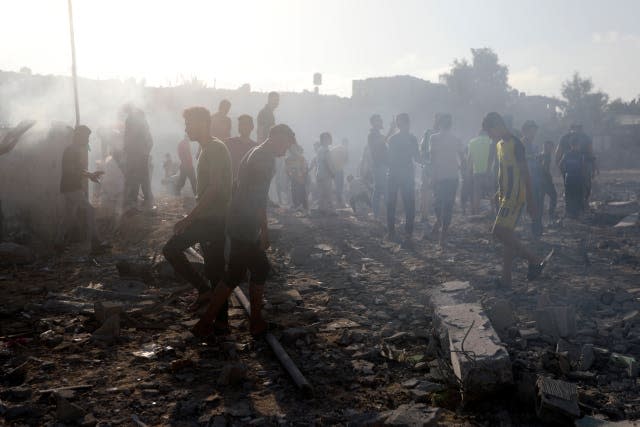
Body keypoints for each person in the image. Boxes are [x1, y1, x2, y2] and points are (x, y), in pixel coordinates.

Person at [193, 124, 298, 338]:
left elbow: (239, 187)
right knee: (248, 271)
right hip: (244, 223)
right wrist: (264, 231)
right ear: (277, 137)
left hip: (238, 220)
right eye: (286, 145)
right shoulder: (264, 159)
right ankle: (240, 322)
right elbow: (258, 200)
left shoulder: (255, 151)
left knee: (245, 271)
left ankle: (234, 321)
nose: (285, 151)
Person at [162, 107, 232, 327]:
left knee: (175, 251)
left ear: (202, 123)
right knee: (213, 269)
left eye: (188, 124)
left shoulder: (214, 149)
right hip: (209, 218)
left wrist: (189, 218)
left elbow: (214, 188)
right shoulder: (205, 149)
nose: (186, 128)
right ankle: (217, 317)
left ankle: (217, 315)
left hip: (213, 219)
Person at [482, 112, 548, 287]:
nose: (489, 136)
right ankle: (506, 279)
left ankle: (534, 260)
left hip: (516, 196)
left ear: (497, 126)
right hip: (505, 195)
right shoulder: (499, 145)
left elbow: (525, 173)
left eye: (489, 131)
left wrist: (531, 201)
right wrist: (499, 192)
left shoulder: (516, 144)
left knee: (499, 232)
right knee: (508, 236)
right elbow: (503, 171)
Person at [57, 125, 110, 254]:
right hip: (72, 187)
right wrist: (89, 175)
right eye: (86, 136)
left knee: (68, 217)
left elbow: (77, 170)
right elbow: (71, 170)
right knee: (90, 211)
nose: (87, 139)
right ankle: (96, 242)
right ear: (79, 136)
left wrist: (90, 175)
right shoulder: (71, 150)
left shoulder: (74, 150)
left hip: (71, 187)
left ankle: (58, 243)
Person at [429, 114, 463, 247]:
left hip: (440, 176)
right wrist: (463, 169)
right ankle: (442, 234)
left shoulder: (434, 138)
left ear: (440, 124)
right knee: (447, 206)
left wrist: (432, 176)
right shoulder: (455, 139)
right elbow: (462, 156)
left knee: (438, 204)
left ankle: (441, 233)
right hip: (452, 176)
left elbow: (432, 159)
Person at [386, 113, 419, 240]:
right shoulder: (412, 138)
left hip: (394, 173)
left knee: (392, 204)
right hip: (406, 173)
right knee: (409, 204)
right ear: (408, 123)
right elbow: (416, 157)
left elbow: (389, 157)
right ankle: (408, 233)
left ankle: (391, 232)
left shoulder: (393, 139)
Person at [556, 124, 597, 209]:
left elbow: (591, 153)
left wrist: (593, 167)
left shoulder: (585, 138)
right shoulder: (565, 139)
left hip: (579, 170)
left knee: (581, 188)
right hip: (573, 171)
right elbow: (558, 153)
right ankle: (575, 209)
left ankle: (578, 207)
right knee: (575, 189)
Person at [122, 107, 154, 211]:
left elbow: (147, 140)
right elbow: (149, 141)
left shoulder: (135, 121)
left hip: (137, 154)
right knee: (140, 177)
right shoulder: (138, 122)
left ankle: (135, 201)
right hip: (138, 153)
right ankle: (143, 200)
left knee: (136, 177)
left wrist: (143, 151)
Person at [521, 120, 544, 238]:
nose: (534, 133)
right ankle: (531, 230)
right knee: (530, 204)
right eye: (531, 130)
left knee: (537, 203)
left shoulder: (534, 145)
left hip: (535, 178)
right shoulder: (522, 143)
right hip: (527, 179)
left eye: (535, 130)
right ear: (525, 131)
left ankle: (536, 229)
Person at [467, 129, 494, 215]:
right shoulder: (491, 141)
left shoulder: (472, 142)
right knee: (491, 192)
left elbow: (470, 159)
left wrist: (468, 171)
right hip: (489, 171)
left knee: (477, 193)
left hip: (477, 172)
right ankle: (493, 210)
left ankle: (476, 211)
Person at [367, 114, 389, 220]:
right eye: (378, 121)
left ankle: (378, 214)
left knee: (379, 189)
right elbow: (381, 142)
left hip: (382, 165)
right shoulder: (372, 135)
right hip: (378, 165)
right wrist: (391, 130)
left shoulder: (377, 134)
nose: (380, 122)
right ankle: (381, 215)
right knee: (382, 189)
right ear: (373, 123)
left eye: (380, 120)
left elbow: (386, 140)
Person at [225, 115, 257, 183]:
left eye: (246, 124)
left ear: (252, 127)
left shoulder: (256, 148)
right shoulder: (229, 143)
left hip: (247, 187)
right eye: (241, 124)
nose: (243, 127)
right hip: (229, 184)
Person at [559, 138, 585, 219]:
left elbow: (582, 167)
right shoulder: (569, 154)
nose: (576, 147)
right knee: (570, 195)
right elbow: (560, 165)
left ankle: (575, 213)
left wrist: (564, 173)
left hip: (574, 177)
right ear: (572, 145)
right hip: (572, 177)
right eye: (575, 145)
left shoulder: (579, 155)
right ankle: (570, 213)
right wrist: (564, 173)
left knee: (576, 195)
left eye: (577, 145)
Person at [537, 140, 557, 221]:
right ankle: (550, 214)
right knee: (552, 196)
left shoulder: (543, 155)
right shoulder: (545, 156)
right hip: (544, 181)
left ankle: (541, 215)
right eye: (548, 147)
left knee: (542, 199)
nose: (550, 149)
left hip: (542, 180)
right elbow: (544, 168)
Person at [285, 144, 308, 211]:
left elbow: (304, 168)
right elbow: (287, 169)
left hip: (300, 176)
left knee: (302, 191)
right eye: (292, 149)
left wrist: (303, 175)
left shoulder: (301, 158)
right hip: (293, 177)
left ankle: (304, 206)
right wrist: (290, 176)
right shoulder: (288, 159)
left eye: (295, 148)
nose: (293, 150)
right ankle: (296, 205)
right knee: (294, 191)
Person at [316, 132, 334, 213]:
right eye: (327, 138)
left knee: (321, 193)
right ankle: (330, 210)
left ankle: (321, 209)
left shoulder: (320, 149)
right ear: (323, 140)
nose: (329, 139)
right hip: (325, 174)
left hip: (319, 173)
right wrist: (331, 172)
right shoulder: (326, 150)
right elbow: (327, 162)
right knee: (328, 192)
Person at [331, 138, 349, 206]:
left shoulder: (335, 148)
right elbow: (346, 160)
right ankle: (339, 202)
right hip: (338, 170)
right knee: (339, 186)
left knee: (338, 186)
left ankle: (339, 201)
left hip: (336, 169)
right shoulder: (344, 149)